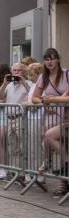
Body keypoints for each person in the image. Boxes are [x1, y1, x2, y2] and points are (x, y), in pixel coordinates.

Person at [31, 48, 69, 195]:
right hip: (50, 117)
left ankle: (62, 181)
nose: (49, 62)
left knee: (57, 142)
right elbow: (35, 98)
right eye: (47, 59)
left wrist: (52, 100)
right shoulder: (43, 77)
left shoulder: (66, 74)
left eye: (52, 58)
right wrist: (42, 101)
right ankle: (62, 178)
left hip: (64, 117)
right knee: (54, 144)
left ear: (58, 59)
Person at [0, 62, 29, 180]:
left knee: (23, 146)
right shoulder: (8, 85)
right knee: (13, 147)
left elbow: (32, 95)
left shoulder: (28, 84)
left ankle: (25, 173)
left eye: (19, 70)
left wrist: (24, 82)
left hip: (20, 117)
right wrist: (4, 84)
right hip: (9, 119)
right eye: (15, 71)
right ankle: (16, 171)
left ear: (24, 72)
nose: (17, 73)